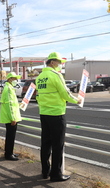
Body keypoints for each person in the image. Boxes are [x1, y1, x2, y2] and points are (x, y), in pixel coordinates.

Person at [36, 52, 81, 182]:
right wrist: (76, 100)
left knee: (45, 143)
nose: (61, 65)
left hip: (44, 113)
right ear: (52, 62)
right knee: (57, 145)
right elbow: (65, 93)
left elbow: (38, 95)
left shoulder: (40, 77)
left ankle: (45, 171)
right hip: (56, 114)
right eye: (59, 62)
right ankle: (56, 174)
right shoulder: (56, 75)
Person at [0, 72, 22, 160]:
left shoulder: (9, 87)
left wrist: (19, 104)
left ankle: (10, 152)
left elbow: (12, 103)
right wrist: (13, 118)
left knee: (10, 136)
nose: (16, 80)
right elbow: (9, 105)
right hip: (11, 118)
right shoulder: (8, 88)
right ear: (10, 79)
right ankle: (8, 154)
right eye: (15, 78)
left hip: (10, 116)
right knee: (10, 136)